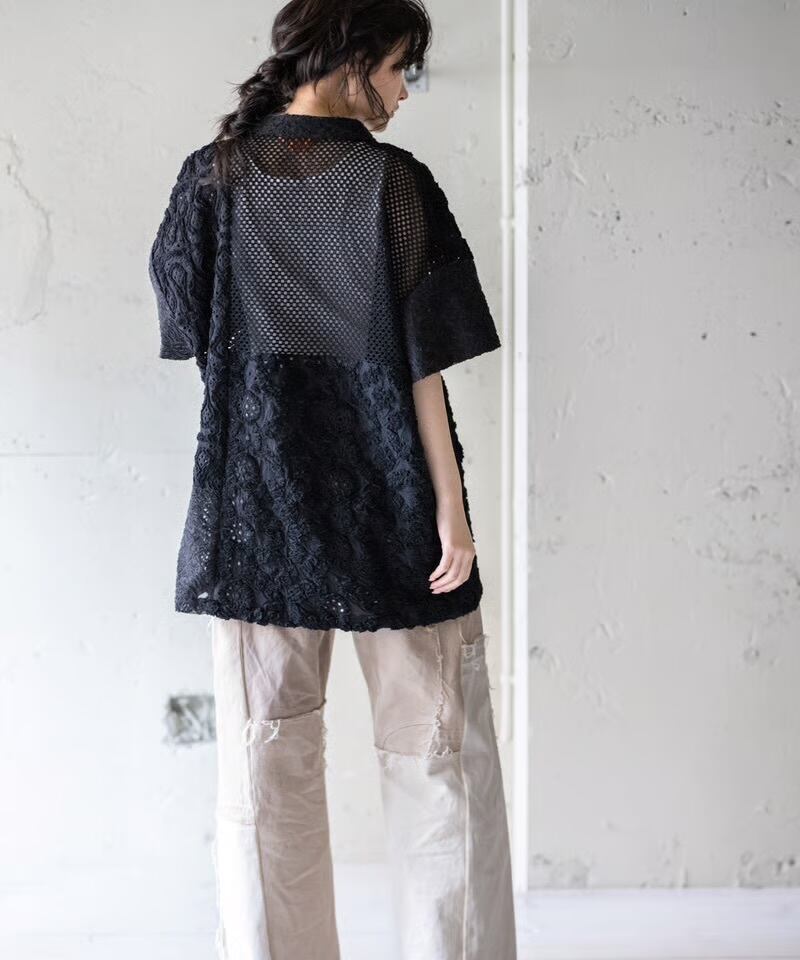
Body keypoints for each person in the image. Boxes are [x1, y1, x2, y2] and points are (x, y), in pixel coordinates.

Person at [147, 1, 517, 957]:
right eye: (398, 67)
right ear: (349, 57)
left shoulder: (213, 177)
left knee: (264, 773)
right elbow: (421, 371)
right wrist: (448, 510)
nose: (402, 92)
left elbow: (189, 333)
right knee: (439, 764)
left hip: (258, 509)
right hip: (393, 504)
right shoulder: (395, 185)